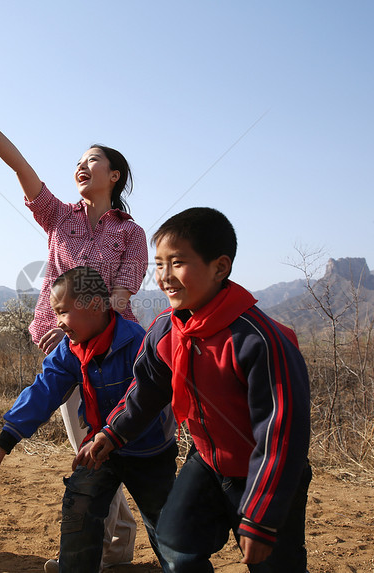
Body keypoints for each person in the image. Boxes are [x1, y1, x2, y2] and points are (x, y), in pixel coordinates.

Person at [0, 85, 146, 568]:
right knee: (86, 445)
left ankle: (114, 542)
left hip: (112, 351)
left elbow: (122, 294)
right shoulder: (57, 215)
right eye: (78, 160)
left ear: (114, 175)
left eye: (93, 160)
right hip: (62, 344)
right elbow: (20, 166)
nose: (82, 165)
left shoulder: (130, 233)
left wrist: (91, 327)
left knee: (104, 444)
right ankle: (115, 541)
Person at [77, 207, 313, 572]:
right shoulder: (165, 331)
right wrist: (112, 432)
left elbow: (282, 431)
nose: (164, 277)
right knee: (175, 544)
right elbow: (146, 392)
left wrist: (262, 514)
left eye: (177, 263)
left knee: (274, 564)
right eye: (158, 264)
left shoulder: (257, 340)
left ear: (220, 267)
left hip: (266, 473)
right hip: (207, 461)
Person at [0, 266, 177, 573]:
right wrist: (0, 450)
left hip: (148, 451)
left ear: (96, 306)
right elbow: (42, 392)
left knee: (167, 528)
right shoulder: (71, 350)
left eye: (63, 311)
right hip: (99, 449)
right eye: (55, 313)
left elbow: (147, 399)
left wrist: (112, 434)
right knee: (80, 506)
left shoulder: (136, 342)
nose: (58, 322)